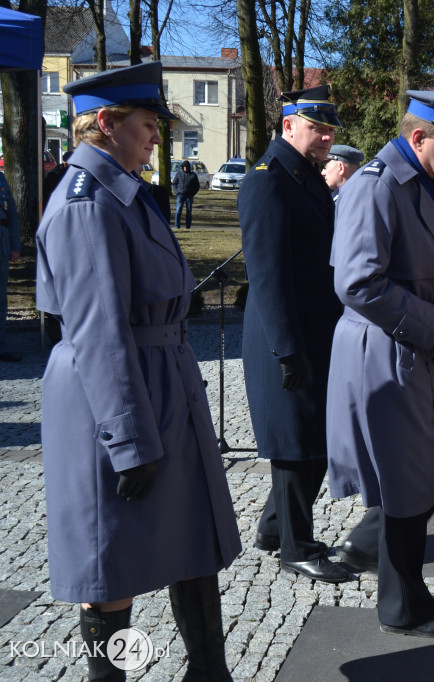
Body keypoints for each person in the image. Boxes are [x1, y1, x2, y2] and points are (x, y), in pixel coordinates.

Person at [35, 61, 241, 681]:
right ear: (106, 123)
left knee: (190, 537)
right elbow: (98, 334)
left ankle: (208, 672)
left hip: (162, 384)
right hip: (115, 402)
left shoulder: (125, 189)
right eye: (149, 123)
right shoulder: (86, 205)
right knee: (113, 561)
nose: (159, 135)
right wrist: (129, 442)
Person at [327, 89, 434, 638]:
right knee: (409, 479)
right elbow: (357, 283)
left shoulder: (425, 183)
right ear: (419, 138)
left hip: (414, 341)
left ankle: (367, 544)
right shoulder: (376, 186)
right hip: (384, 347)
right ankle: (403, 606)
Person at [238, 86, 350, 583]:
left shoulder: (304, 176)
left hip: (315, 331)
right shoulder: (268, 180)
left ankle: (271, 529)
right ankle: (297, 547)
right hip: (283, 336)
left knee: (313, 440)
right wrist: (287, 348)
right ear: (287, 125)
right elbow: (267, 274)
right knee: (294, 446)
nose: (325, 136)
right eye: (316, 126)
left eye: (329, 129)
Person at [0, 168, 22, 363]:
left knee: (0, 300)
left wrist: (16, 246)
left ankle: (1, 346)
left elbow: (12, 215)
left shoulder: (0, 178)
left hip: (2, 246)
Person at [172, 159, 200, 229]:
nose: (185, 168)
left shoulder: (193, 175)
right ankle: (177, 225)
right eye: (184, 166)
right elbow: (174, 183)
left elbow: (197, 186)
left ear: (189, 167)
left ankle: (188, 226)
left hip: (189, 195)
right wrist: (176, 192)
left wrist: (192, 193)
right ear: (182, 167)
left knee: (189, 211)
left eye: (187, 166)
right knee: (178, 210)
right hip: (180, 194)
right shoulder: (178, 174)